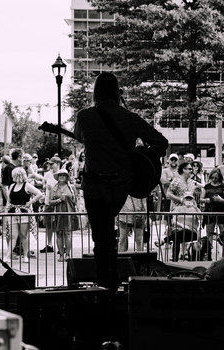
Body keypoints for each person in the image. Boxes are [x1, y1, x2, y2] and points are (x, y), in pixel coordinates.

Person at [73, 72, 168, 291]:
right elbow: (161, 143)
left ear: (96, 91)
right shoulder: (129, 118)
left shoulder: (85, 116)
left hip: (95, 185)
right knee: (108, 234)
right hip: (121, 185)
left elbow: (80, 137)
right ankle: (112, 280)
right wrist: (140, 156)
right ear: (118, 92)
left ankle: (105, 282)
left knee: (101, 237)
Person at [4, 167, 42, 263]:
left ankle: (25, 255)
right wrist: (6, 211)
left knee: (23, 235)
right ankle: (8, 255)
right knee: (13, 235)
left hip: (23, 212)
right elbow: (9, 200)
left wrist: (31, 202)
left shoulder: (27, 185)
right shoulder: (12, 186)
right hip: (13, 212)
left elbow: (39, 193)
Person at [155, 192, 202, 261]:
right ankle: (175, 259)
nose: (188, 200)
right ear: (183, 200)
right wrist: (183, 226)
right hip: (179, 231)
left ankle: (163, 241)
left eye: (190, 199)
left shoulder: (196, 209)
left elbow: (201, 219)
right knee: (177, 238)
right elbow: (174, 221)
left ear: (193, 200)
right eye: (187, 198)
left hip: (192, 232)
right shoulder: (178, 209)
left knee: (177, 236)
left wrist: (196, 208)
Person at [47, 169, 78, 262]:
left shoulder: (71, 187)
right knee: (59, 234)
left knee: (68, 234)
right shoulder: (54, 188)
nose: (62, 177)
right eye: (60, 175)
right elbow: (50, 202)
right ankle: (61, 254)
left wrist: (68, 199)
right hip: (58, 213)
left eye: (64, 175)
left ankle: (67, 254)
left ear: (67, 177)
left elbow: (75, 201)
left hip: (69, 213)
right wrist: (59, 200)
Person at [200, 168, 224, 259]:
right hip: (209, 211)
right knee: (209, 233)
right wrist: (207, 200)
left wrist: (220, 200)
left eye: (216, 178)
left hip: (221, 212)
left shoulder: (223, 187)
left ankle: (223, 255)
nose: (214, 179)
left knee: (223, 233)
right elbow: (200, 199)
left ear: (219, 178)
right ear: (210, 177)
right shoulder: (206, 187)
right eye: (212, 177)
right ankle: (209, 253)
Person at [40, 156, 62, 253]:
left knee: (58, 224)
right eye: (50, 164)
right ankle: (49, 244)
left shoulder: (62, 174)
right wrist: (45, 187)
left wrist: (52, 188)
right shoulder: (47, 174)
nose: (50, 165)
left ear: (57, 164)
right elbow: (44, 185)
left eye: (52, 164)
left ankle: (60, 245)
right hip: (48, 201)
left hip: (58, 202)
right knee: (48, 224)